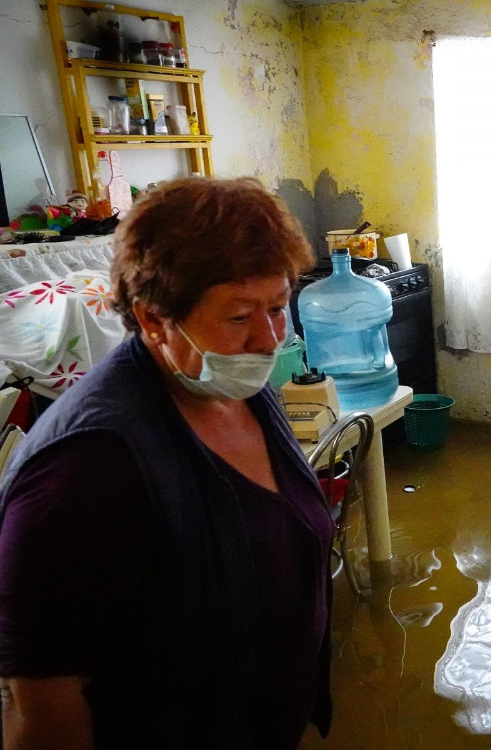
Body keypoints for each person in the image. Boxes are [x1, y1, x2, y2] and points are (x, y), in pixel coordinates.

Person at [0, 178, 333, 749]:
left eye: (279, 307)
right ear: (154, 320)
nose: (269, 338)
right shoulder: (85, 470)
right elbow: (46, 709)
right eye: (238, 317)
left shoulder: (233, 383)